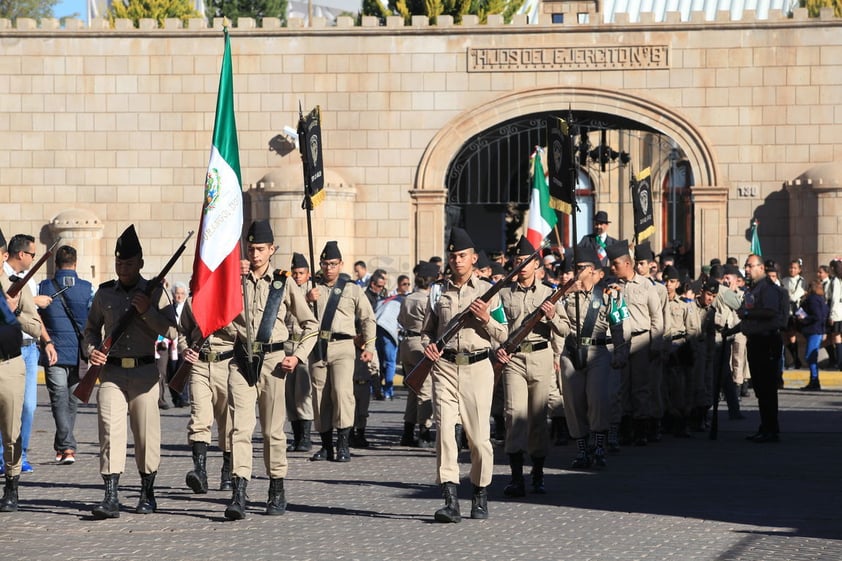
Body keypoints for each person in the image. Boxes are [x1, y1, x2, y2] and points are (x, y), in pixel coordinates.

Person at [224, 220, 318, 520]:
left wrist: (298, 356)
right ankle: (239, 491)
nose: (255, 254)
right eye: (250, 249)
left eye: (260, 249)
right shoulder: (234, 279)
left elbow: (310, 325)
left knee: (272, 431)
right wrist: (227, 277)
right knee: (240, 428)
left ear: (272, 250)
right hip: (240, 360)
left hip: (273, 362)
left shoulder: (283, 282)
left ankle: (276, 487)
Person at [83, 225, 178, 518]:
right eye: (119, 263)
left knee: (146, 435)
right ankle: (111, 495)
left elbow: (172, 330)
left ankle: (147, 493)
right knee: (110, 430)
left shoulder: (156, 292)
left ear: (141, 263)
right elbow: (90, 330)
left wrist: (147, 310)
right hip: (110, 374)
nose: (123, 268)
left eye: (128, 263)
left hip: (144, 374)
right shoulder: (104, 293)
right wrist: (91, 350)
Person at [421, 227, 507, 523]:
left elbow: (503, 333)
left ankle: (480, 492)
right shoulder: (438, 292)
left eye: (462, 256)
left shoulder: (488, 292)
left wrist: (485, 319)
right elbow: (426, 333)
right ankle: (450, 499)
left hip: (478, 368)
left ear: (473, 258)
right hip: (444, 368)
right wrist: (428, 348)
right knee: (445, 434)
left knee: (479, 438)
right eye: (453, 255)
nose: (457, 260)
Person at [496, 237, 567, 495]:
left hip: (540, 356)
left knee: (538, 418)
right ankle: (516, 477)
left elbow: (564, 328)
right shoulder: (503, 293)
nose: (522, 266)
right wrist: (499, 351)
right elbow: (496, 328)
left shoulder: (548, 293)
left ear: (537, 265)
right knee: (514, 415)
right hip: (514, 359)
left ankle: (538, 473)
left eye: (527, 262)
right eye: (518, 261)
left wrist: (551, 317)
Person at [559, 245, 629, 469]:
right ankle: (581, 449)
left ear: (592, 270)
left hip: (598, 352)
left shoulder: (611, 294)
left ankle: (599, 446)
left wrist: (620, 351)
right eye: (574, 268)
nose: (576, 272)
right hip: (571, 352)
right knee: (573, 403)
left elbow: (618, 325)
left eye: (580, 268)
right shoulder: (564, 294)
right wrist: (566, 292)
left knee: (598, 399)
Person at [306, 241, 376, 463]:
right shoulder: (310, 288)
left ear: (341, 264)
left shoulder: (352, 289)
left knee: (342, 393)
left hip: (343, 346)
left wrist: (370, 347)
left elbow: (367, 318)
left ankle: (343, 443)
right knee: (320, 397)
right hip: (317, 347)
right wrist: (308, 300)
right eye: (325, 264)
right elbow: (297, 317)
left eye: (333, 264)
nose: (329, 268)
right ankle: (326, 446)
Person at [3, 234, 58, 473]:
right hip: (6, 349)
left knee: (28, 407)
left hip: (26, 349)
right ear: (19, 254)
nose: (34, 258)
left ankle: (19, 455)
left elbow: (34, 322)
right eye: (33, 254)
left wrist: (46, 341)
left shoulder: (25, 281)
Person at [37, 245, 93, 465]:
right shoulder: (88, 288)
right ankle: (67, 446)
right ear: (75, 263)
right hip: (79, 353)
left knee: (59, 398)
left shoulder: (44, 286)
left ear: (56, 264)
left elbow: (36, 317)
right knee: (70, 401)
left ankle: (65, 446)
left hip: (54, 351)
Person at [1, 227, 43, 512]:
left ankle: (12, 485)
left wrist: (13, 310)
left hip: (8, 364)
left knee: (11, 429)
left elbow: (36, 327)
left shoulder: (16, 285)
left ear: (3, 256)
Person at [608, 240, 664, 446]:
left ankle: (643, 427)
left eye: (616, 264)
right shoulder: (611, 286)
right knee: (622, 387)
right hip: (620, 342)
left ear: (627, 264)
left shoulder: (646, 285)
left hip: (641, 340)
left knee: (641, 387)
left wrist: (656, 344)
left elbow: (656, 316)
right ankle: (626, 427)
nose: (612, 268)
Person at [178, 298, 237, 494]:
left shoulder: (233, 299)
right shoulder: (192, 301)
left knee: (229, 421)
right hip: (199, 364)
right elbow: (183, 332)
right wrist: (185, 349)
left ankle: (228, 471)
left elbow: (243, 333)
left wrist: (222, 319)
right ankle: (200, 471)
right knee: (199, 417)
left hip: (227, 363)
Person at [737, 254, 788, 443]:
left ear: (760, 268)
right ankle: (765, 426)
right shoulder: (755, 288)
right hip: (756, 340)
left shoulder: (768, 289)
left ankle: (771, 428)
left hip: (766, 342)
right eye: (746, 266)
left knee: (767, 387)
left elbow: (770, 312)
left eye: (750, 266)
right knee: (760, 387)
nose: (747, 269)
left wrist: (747, 313)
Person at [398, 261, 438, 448]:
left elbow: (400, 319)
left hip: (406, 343)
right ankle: (424, 432)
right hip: (422, 345)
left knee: (413, 390)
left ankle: (407, 431)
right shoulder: (428, 300)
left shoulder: (408, 298)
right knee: (425, 389)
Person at [285, 252, 316, 452]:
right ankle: (296, 436)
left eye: (301, 273)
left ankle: (306, 437)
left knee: (303, 393)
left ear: (308, 274)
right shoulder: (287, 289)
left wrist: (311, 299)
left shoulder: (315, 291)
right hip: (287, 343)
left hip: (305, 344)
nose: (297, 276)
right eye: (294, 273)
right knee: (289, 395)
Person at [797, 279, 829, 391]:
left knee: (810, 356)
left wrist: (804, 318)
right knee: (811, 356)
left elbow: (818, 316)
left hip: (814, 330)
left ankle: (814, 380)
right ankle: (814, 380)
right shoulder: (821, 299)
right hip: (817, 330)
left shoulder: (812, 299)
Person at [781, 259, 806, 369]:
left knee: (792, 335)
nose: (792, 270)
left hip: (796, 311)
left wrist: (788, 295)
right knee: (786, 337)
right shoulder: (785, 280)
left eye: (795, 268)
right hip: (786, 311)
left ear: (799, 270)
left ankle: (796, 361)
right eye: (791, 267)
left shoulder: (801, 281)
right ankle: (795, 360)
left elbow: (794, 296)